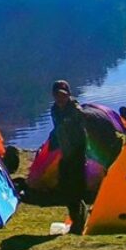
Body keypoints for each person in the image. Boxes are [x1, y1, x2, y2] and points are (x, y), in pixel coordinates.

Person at [50, 80, 89, 234]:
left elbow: (81, 130)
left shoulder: (75, 110)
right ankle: (76, 218)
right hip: (66, 153)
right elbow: (57, 129)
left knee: (75, 188)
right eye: (57, 95)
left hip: (77, 153)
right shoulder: (54, 110)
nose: (60, 99)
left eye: (63, 95)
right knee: (66, 187)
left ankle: (79, 222)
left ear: (68, 95)